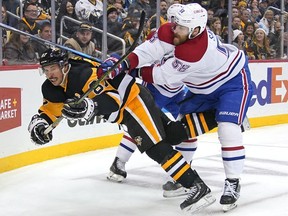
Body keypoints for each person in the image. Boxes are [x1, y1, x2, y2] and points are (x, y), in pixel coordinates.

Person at [27, 48, 217, 214]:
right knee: (172, 133)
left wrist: (90, 106)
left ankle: (197, 186)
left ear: (64, 66)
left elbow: (113, 100)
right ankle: (220, 116)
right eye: (46, 69)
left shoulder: (83, 75)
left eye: (53, 68)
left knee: (156, 148)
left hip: (132, 102)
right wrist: (41, 125)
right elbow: (50, 112)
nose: (49, 73)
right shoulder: (51, 88)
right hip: (128, 109)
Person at [107, 3, 253, 212]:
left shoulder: (194, 51)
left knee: (227, 129)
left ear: (195, 31)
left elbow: (162, 76)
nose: (175, 29)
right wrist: (123, 63)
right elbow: (148, 50)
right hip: (200, 88)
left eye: (181, 27)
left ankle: (233, 182)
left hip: (232, 82)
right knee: (182, 131)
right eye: (175, 24)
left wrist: (129, 71)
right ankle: (182, 179)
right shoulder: (178, 31)